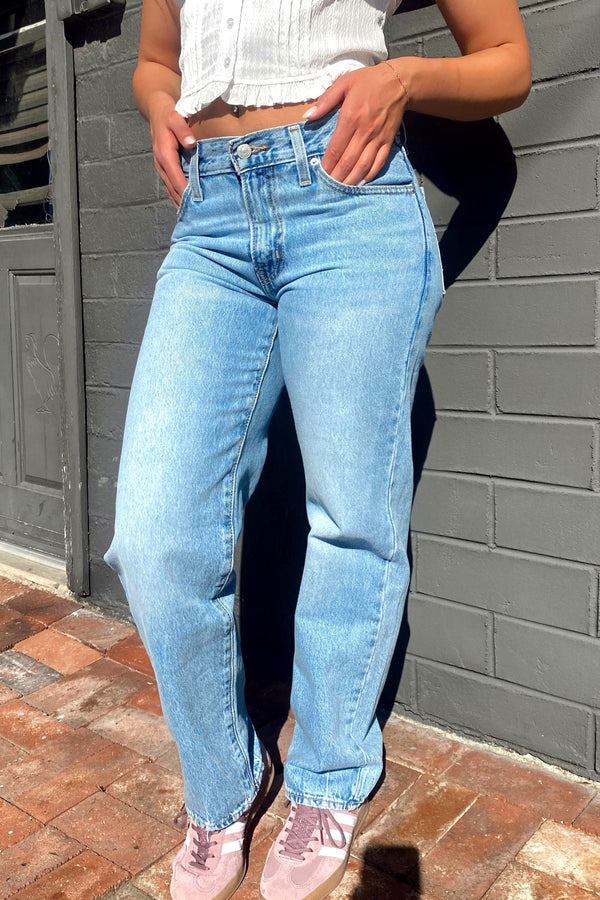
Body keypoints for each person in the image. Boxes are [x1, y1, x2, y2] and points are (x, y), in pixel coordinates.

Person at [104, 1, 530, 898]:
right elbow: (152, 61)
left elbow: (507, 61)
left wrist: (402, 80)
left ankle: (331, 775)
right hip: (212, 218)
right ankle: (225, 782)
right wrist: (158, 109)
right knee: (154, 534)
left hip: (348, 197)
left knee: (351, 518)